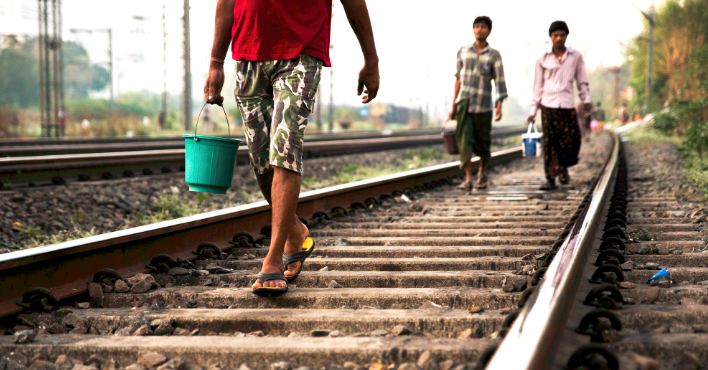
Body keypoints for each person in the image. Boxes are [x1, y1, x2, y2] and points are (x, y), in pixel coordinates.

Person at [204, 0, 379, 296]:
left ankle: (272, 260)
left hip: (301, 53)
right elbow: (227, 3)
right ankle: (296, 232)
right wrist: (215, 62)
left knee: (284, 151)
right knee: (261, 163)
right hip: (248, 53)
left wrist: (371, 59)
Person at [527, 20, 591, 191]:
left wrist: (586, 99)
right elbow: (537, 86)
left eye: (562, 35)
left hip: (567, 104)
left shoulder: (575, 56)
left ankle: (563, 167)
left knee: (572, 140)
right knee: (549, 143)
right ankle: (550, 178)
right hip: (548, 106)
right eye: (555, 35)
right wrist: (533, 110)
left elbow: (582, 80)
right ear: (550, 37)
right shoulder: (542, 59)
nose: (559, 38)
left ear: (566, 36)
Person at [448, 16, 507, 191]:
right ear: (473, 30)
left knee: (483, 142)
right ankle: (467, 178)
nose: (479, 29)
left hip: (483, 105)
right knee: (464, 141)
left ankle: (482, 173)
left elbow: (499, 81)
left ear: (489, 31)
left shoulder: (494, 55)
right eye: (477, 26)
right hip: (464, 102)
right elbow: (458, 79)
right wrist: (453, 104)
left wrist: (499, 104)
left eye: (483, 27)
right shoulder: (463, 51)